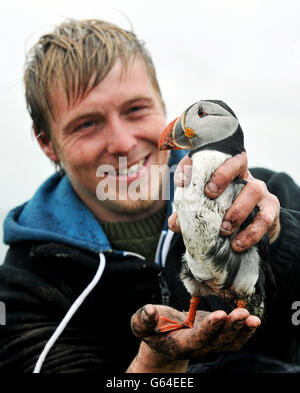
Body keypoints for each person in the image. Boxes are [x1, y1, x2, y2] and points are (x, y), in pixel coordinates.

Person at [0, 18, 299, 373]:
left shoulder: (272, 196)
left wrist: (280, 240)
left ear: (162, 105)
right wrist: (159, 361)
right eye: (87, 124)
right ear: (48, 144)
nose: (123, 142)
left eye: (135, 109)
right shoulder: (25, 286)